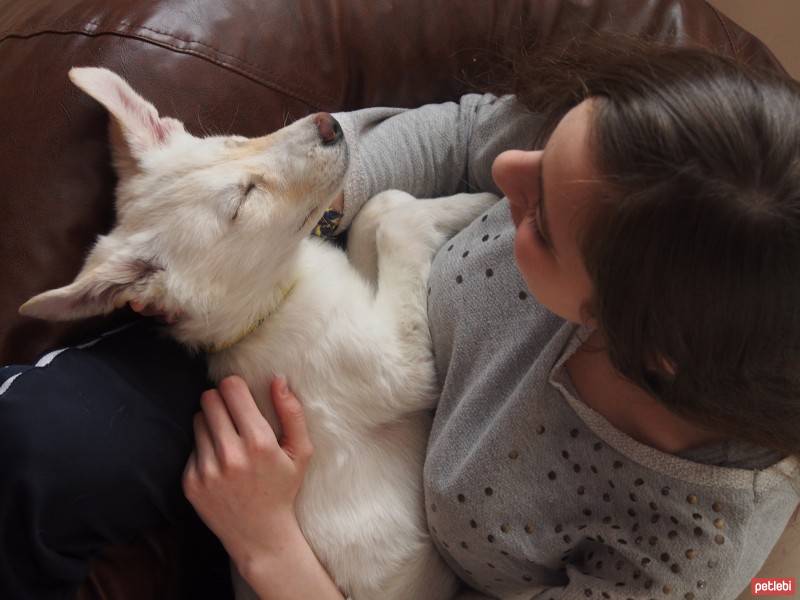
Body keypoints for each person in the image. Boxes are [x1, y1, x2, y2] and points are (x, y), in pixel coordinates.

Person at [2, 32, 799, 600]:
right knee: (45, 446)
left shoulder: (679, 552)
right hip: (297, 323)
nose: (500, 173)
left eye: (540, 221)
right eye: (548, 140)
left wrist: (269, 544)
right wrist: (301, 199)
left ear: (634, 334)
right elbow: (462, 135)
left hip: (342, 550)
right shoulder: (649, 162)